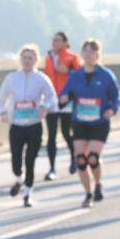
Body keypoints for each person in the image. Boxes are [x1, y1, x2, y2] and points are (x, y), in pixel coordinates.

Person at [59, 39, 120, 207]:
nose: (88, 54)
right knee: (80, 159)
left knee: (93, 158)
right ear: (82, 54)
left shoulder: (106, 75)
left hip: (99, 122)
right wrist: (63, 98)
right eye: (85, 51)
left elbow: (115, 97)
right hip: (80, 121)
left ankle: (98, 183)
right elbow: (65, 92)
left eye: (92, 51)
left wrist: (112, 109)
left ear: (97, 55)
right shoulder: (75, 75)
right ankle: (87, 193)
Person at [0, 44, 57, 207]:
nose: (27, 61)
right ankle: (19, 178)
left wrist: (45, 106)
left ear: (36, 60)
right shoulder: (12, 78)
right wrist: (2, 112)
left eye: (30, 58)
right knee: (16, 160)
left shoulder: (42, 79)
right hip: (16, 124)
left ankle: (27, 194)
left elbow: (52, 97)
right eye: (24, 58)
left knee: (30, 160)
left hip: (34, 125)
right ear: (20, 59)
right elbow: (1, 97)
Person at [43, 32, 82, 178]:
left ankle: (74, 158)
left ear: (65, 42)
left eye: (58, 40)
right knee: (51, 135)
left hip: (67, 100)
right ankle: (52, 168)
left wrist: (68, 71)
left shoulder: (72, 57)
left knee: (66, 133)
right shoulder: (48, 57)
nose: (54, 43)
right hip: (51, 100)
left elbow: (81, 75)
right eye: (53, 40)